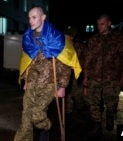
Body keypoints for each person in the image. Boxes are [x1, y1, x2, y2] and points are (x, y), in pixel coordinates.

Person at [14, 6, 81, 141]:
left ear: (43, 17)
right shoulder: (28, 37)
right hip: (33, 82)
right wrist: (26, 80)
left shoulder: (56, 37)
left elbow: (65, 64)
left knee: (37, 114)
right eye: (29, 18)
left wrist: (62, 86)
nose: (31, 21)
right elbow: (28, 62)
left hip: (50, 83)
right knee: (26, 116)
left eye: (34, 17)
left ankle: (47, 127)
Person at [82, 14, 123, 140]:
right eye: (98, 24)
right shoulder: (93, 40)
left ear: (109, 23)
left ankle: (110, 115)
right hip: (95, 77)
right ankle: (97, 125)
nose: (99, 27)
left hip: (112, 78)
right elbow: (88, 59)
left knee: (111, 102)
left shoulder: (118, 39)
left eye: (102, 24)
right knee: (93, 103)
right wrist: (86, 76)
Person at [64, 26, 88, 118]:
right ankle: (68, 114)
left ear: (72, 37)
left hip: (78, 76)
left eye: (67, 36)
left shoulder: (81, 47)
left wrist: (86, 75)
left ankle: (80, 111)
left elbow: (87, 61)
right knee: (67, 96)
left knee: (78, 96)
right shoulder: (63, 47)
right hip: (67, 76)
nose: (65, 38)